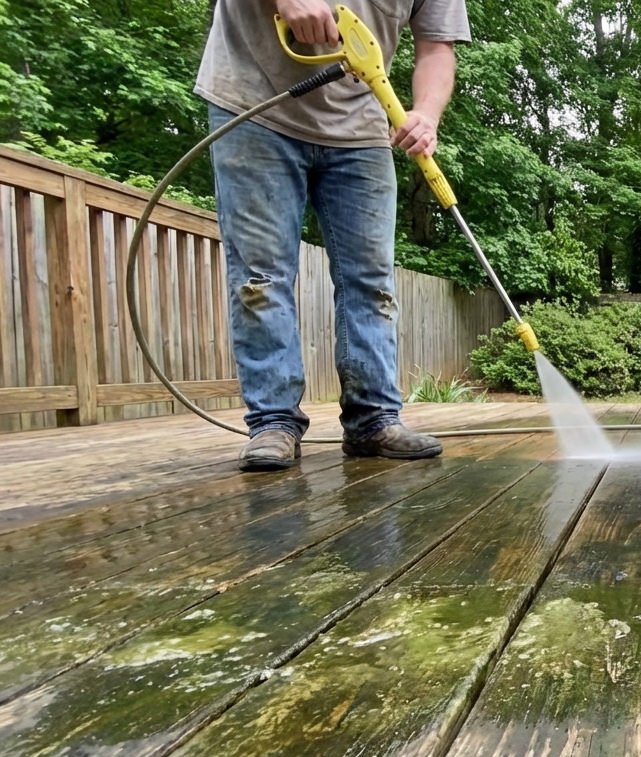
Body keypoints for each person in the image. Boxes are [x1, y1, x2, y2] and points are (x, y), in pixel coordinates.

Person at [195, 0, 469, 471]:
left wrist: (425, 115)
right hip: (254, 104)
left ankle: (373, 420)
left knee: (372, 282)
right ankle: (273, 422)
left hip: (363, 126)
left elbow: (436, 47)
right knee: (261, 277)